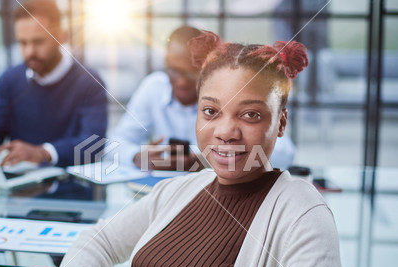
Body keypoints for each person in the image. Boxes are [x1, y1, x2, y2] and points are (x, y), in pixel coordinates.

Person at [46, 32, 348, 267]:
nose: (226, 132)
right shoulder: (180, 190)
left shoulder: (302, 212)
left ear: (281, 123)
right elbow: (96, 242)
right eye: (210, 111)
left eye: (250, 114)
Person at [0, 0, 108, 267]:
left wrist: (43, 152)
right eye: (22, 43)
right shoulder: (10, 80)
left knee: (68, 253)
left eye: (37, 41)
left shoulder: (87, 81)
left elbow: (94, 144)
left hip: (75, 193)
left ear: (60, 34)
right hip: (20, 191)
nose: (29, 52)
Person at [107, 26, 295, 171]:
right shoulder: (154, 87)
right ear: (165, 64)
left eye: (191, 73)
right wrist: (137, 157)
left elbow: (284, 153)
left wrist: (208, 158)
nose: (181, 82)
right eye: (173, 70)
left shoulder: (228, 90)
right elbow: (113, 143)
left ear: (208, 70)